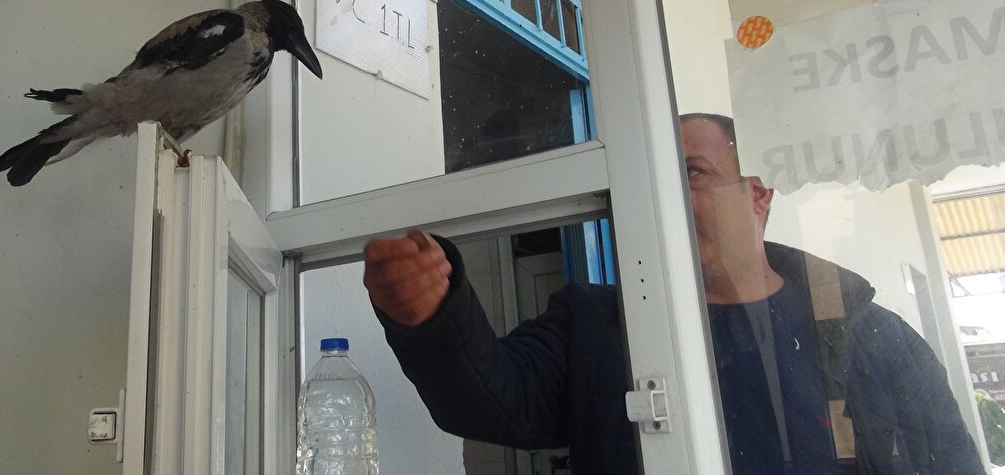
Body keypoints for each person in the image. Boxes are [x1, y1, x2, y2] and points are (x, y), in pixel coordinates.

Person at [363, 113, 985, 474]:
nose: (666, 196)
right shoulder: (597, 320)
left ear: (759, 196)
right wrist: (432, 315)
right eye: (653, 178)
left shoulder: (866, 333)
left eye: (692, 173)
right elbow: (494, 404)